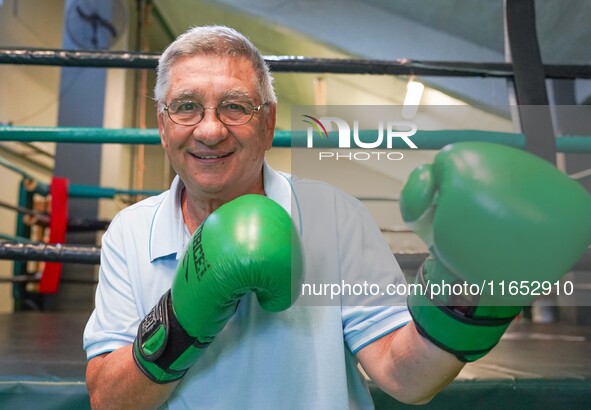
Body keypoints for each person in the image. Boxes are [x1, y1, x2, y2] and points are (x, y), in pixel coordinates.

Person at [84, 25, 591, 409]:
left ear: (268, 123)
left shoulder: (332, 214)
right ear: (161, 124)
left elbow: (405, 377)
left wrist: (472, 292)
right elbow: (107, 399)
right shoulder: (131, 232)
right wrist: (183, 317)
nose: (210, 130)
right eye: (187, 107)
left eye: (236, 107)